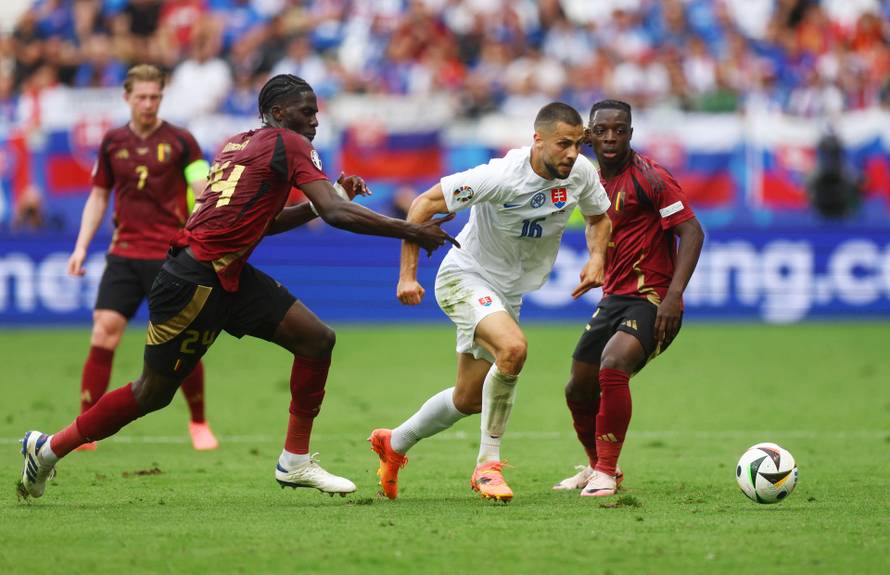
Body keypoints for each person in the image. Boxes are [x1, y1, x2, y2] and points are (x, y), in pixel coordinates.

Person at [18, 74, 458, 501]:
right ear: (279, 112)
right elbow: (334, 215)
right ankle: (49, 448)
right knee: (150, 393)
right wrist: (411, 230)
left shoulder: (238, 143)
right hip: (193, 280)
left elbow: (265, 223)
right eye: (308, 112)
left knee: (316, 339)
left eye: (317, 113)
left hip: (224, 275)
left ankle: (295, 459)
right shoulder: (290, 144)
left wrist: (331, 200)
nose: (316, 121)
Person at [369, 102, 612, 502]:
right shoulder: (499, 176)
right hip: (464, 277)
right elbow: (423, 205)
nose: (572, 153)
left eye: (578, 144)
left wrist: (597, 257)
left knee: (467, 398)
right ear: (537, 140)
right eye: (563, 144)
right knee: (513, 349)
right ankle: (488, 466)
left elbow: (599, 217)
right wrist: (408, 275)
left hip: (507, 292)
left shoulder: (581, 173)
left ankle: (394, 443)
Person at [553, 99, 704, 497]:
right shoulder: (585, 178)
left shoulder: (652, 178)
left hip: (653, 300)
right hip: (614, 298)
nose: (610, 137)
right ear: (589, 133)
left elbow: (692, 233)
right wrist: (596, 262)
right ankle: (595, 467)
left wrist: (674, 296)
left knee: (614, 363)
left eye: (619, 129)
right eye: (601, 130)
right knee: (577, 388)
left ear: (630, 134)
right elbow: (594, 223)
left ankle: (606, 470)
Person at [67, 64, 218, 451]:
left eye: (155, 97)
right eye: (142, 97)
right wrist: (82, 246)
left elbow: (200, 183)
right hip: (123, 253)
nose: (148, 104)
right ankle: (86, 429)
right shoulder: (112, 142)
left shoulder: (183, 141)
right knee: (103, 331)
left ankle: (199, 422)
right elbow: (99, 196)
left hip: (170, 257)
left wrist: (206, 201)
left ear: (161, 98)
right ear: (127, 98)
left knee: (181, 342)